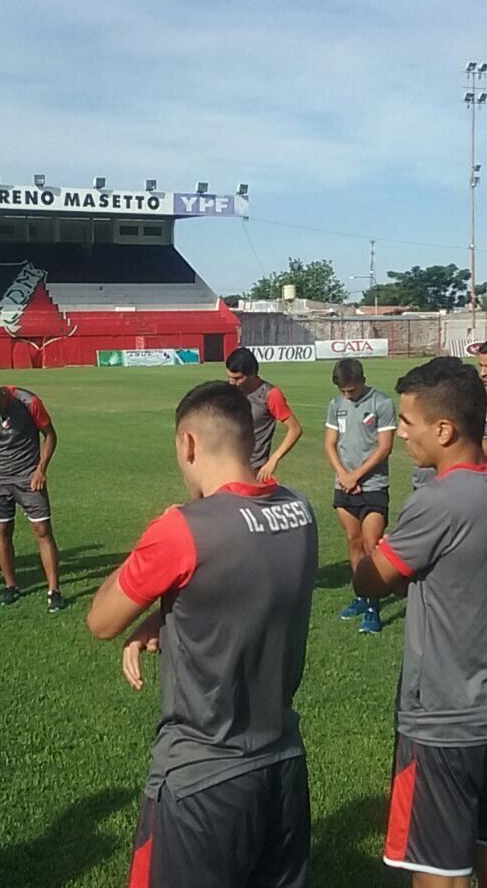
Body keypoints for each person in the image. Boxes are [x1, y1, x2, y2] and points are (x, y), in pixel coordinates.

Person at [87, 381, 317, 888]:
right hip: (282, 760)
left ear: (188, 444)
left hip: (202, 776)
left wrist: (158, 538)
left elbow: (101, 621)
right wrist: (166, 617)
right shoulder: (300, 510)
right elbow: (248, 589)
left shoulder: (183, 529)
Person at [352, 358, 487, 888]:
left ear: (444, 429)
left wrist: (369, 549)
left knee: (437, 869)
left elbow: (370, 580)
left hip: (446, 717)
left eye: (407, 422)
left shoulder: (439, 501)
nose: (400, 433)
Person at [0, 381, 66, 612]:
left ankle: (54, 590)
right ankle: (10, 585)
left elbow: (50, 435)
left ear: (4, 395)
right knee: (2, 530)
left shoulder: (29, 402)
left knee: (42, 530)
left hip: (28, 477)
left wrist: (40, 469)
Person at [325, 358, 397, 635]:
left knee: (371, 545)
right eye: (343, 391)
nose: (347, 396)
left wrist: (357, 476)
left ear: (362, 380)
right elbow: (330, 443)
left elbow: (384, 448)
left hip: (373, 485)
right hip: (344, 485)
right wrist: (343, 475)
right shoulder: (336, 405)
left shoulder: (382, 403)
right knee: (354, 543)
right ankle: (361, 596)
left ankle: (373, 607)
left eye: (352, 390)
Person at [225, 347, 303, 482]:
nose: (232, 382)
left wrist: (274, 459)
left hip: (252, 470)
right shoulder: (229, 390)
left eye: (238, 378)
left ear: (252, 374)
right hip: (225, 465)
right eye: (229, 377)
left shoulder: (271, 395)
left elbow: (295, 429)